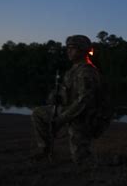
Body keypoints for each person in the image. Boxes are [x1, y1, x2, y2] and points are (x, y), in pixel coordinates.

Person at [31, 35, 101, 164]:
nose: (68, 51)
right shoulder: (72, 70)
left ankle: (119, 160)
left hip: (83, 117)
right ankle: (45, 150)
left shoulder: (87, 71)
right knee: (38, 113)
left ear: (82, 50)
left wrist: (61, 119)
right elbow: (66, 92)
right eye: (68, 48)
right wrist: (55, 97)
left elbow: (84, 102)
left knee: (82, 160)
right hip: (69, 110)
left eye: (72, 48)